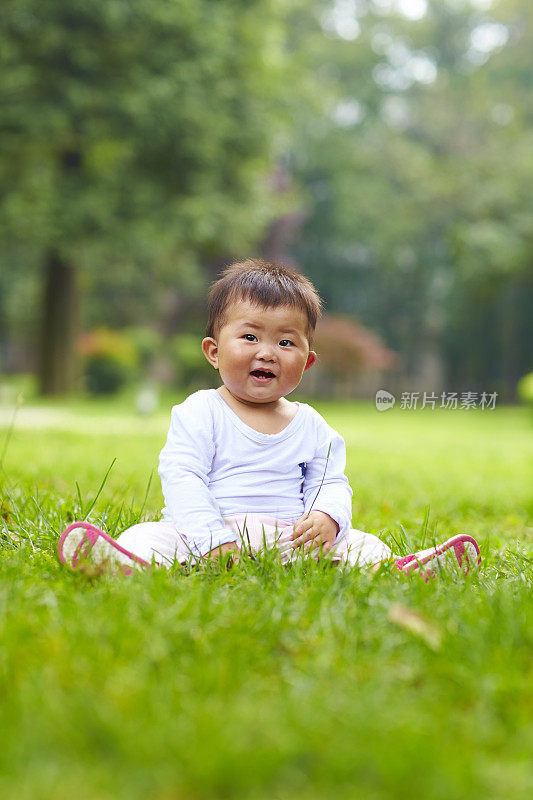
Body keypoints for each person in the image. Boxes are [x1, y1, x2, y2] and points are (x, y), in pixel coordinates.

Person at [58, 259, 481, 579]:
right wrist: (211, 540)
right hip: (207, 531)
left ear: (307, 361)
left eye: (285, 341)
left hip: (289, 537)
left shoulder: (312, 425)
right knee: (148, 537)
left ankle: (403, 569)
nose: (267, 352)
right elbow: (183, 477)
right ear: (213, 351)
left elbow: (330, 482)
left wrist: (328, 518)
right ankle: (121, 561)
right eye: (249, 336)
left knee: (362, 545)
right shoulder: (201, 411)